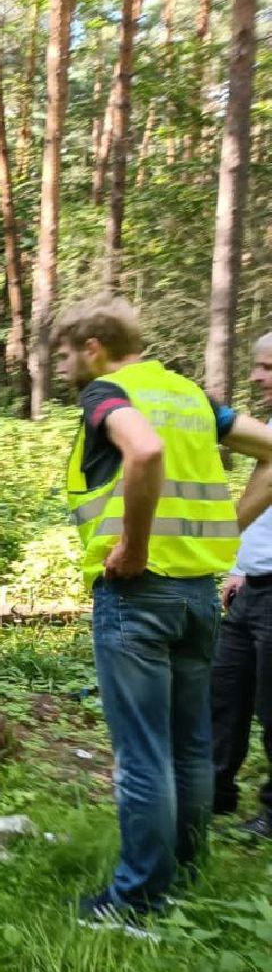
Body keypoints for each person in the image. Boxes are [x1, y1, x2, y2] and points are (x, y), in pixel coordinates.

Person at [55, 295, 272, 923]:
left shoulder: (107, 394)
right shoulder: (191, 398)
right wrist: (225, 530)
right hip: (199, 596)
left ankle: (137, 900)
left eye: (67, 356)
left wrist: (134, 545)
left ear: (93, 348)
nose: (66, 369)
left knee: (144, 753)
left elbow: (142, 451)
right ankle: (186, 870)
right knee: (189, 745)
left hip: (138, 595)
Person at [210, 334, 272, 839]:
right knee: (224, 692)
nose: (256, 377)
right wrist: (240, 567)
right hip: (251, 588)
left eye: (267, 368)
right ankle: (214, 792)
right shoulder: (267, 429)